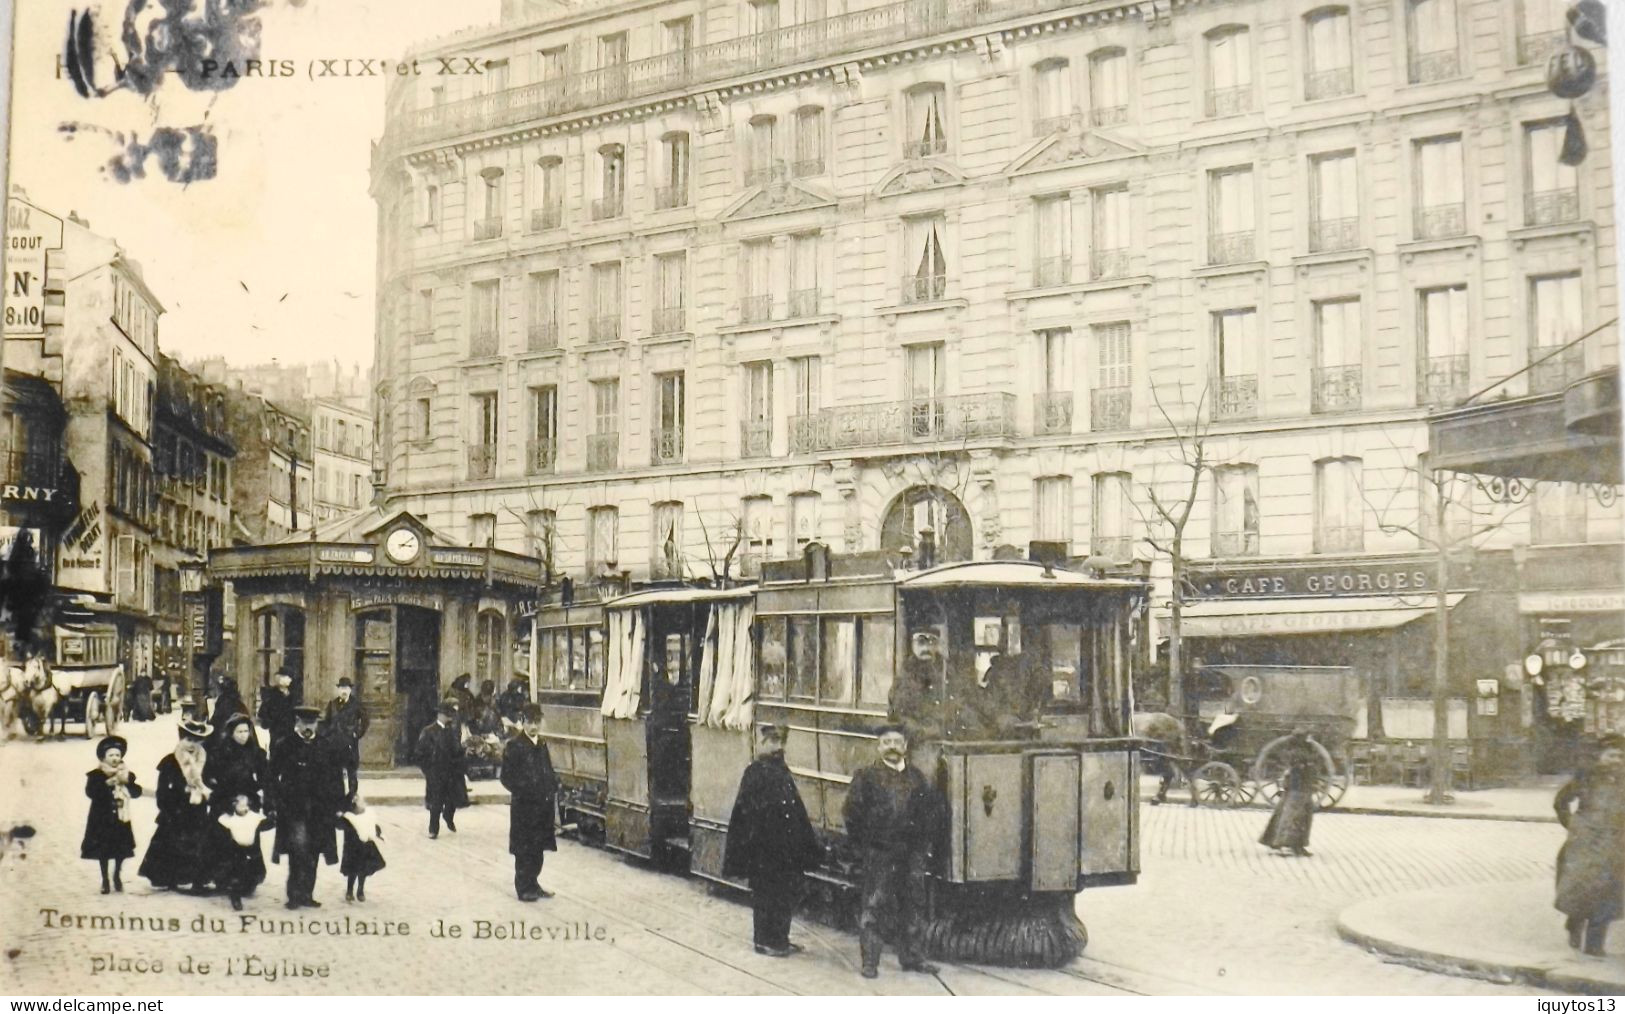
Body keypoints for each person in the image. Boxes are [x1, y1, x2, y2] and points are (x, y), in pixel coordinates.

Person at [843, 724, 942, 979]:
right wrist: (865, 846)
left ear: (905, 747)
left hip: (911, 854)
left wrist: (921, 847)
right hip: (880, 853)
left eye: (897, 742)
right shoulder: (866, 777)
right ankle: (870, 962)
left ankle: (913, 956)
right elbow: (852, 813)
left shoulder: (917, 778)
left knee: (913, 904)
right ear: (879, 747)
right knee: (875, 906)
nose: (892, 747)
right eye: (886, 742)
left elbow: (929, 816)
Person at [723, 721, 824, 957]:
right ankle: (764, 941)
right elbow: (746, 813)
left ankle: (780, 939)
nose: (777, 747)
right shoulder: (756, 771)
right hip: (764, 848)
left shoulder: (779, 769)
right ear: (761, 743)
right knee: (766, 894)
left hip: (783, 848)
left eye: (781, 742)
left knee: (783, 894)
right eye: (772, 742)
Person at [1554, 734, 1625, 956]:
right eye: (1612, 755)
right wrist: (1573, 826)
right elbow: (1560, 802)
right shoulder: (1586, 777)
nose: (1617, 760)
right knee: (1582, 888)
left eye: (1621, 756)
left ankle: (1595, 945)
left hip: (1613, 842)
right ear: (1600, 756)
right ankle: (1574, 924)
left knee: (1607, 890)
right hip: (1585, 842)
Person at [269, 706, 345, 909]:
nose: (308, 728)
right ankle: (294, 894)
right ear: (297, 723)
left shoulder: (325, 745)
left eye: (312, 724)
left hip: (320, 809)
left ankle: (307, 894)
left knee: (313, 851)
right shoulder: (285, 744)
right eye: (304, 724)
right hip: (293, 807)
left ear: (317, 725)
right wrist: (276, 800)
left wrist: (338, 804)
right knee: (297, 849)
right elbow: (271, 775)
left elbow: (336, 777)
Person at [138, 718, 216, 893]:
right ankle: (169, 877)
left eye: (197, 741)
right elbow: (163, 788)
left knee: (197, 842)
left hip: (197, 809)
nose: (192, 745)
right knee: (171, 842)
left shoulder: (204, 759)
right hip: (175, 810)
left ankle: (192, 878)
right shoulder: (170, 761)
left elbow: (210, 780)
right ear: (181, 739)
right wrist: (168, 804)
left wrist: (208, 788)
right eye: (189, 740)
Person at [500, 703, 559, 901]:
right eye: (530, 722)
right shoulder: (514, 745)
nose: (534, 727)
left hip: (542, 806)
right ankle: (523, 887)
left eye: (537, 722)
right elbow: (506, 777)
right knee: (524, 849)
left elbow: (548, 770)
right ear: (523, 722)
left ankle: (534, 884)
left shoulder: (541, 744)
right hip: (524, 807)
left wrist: (552, 786)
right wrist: (523, 790)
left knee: (538, 847)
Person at [82, 735, 142, 895]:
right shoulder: (96, 775)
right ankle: (105, 880)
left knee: (120, 848)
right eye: (111, 755)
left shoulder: (126, 774)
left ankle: (116, 875)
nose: (115, 758)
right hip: (101, 817)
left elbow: (136, 791)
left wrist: (129, 786)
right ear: (104, 757)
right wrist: (106, 785)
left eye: (117, 755)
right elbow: (90, 792)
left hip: (120, 817)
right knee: (103, 850)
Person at [1259, 728, 1319, 857]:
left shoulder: (1301, 751)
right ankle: (1283, 843)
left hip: (1302, 786)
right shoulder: (1297, 753)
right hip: (1297, 786)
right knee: (1292, 815)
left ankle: (1297, 844)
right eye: (1306, 738)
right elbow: (1306, 763)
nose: (1309, 740)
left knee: (1302, 815)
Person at [415, 701, 468, 838]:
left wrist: (465, 751)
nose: (449, 718)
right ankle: (433, 829)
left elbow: (456, 750)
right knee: (436, 802)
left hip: (451, 771)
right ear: (440, 715)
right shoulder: (428, 731)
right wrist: (428, 771)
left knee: (453, 799)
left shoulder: (452, 731)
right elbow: (420, 754)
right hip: (436, 772)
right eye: (447, 715)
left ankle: (448, 816)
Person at [214, 794, 271, 911]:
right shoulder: (228, 819)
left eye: (246, 806)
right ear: (234, 806)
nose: (244, 809)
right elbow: (221, 828)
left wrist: (271, 814)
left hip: (251, 848)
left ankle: (247, 888)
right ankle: (235, 898)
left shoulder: (254, 817)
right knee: (236, 874)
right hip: (236, 849)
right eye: (241, 806)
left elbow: (267, 824)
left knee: (253, 871)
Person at [207, 714, 269, 815]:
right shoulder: (220, 753)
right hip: (225, 802)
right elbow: (214, 779)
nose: (244, 735)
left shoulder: (256, 753)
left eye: (246, 731)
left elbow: (265, 777)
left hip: (250, 802)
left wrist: (260, 793)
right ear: (231, 733)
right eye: (239, 732)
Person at [322, 677, 369, 798]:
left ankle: (352, 796)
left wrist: (357, 733)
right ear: (338, 690)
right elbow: (326, 722)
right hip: (334, 743)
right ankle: (336, 796)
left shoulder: (356, 704)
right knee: (335, 771)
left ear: (350, 690)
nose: (344, 691)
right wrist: (327, 736)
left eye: (346, 688)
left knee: (351, 771)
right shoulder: (332, 704)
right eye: (342, 688)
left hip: (349, 743)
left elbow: (365, 721)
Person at [340, 795, 387, 903]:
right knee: (353, 869)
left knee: (363, 869)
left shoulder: (367, 815)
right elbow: (341, 825)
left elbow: (373, 826)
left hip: (366, 845)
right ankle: (349, 890)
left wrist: (378, 833)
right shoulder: (348, 818)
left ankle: (360, 890)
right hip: (352, 846)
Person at [258, 669, 297, 759]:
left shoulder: (292, 695)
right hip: (277, 730)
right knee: (277, 753)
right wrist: (270, 720)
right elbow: (263, 713)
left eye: (290, 678)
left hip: (290, 729)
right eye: (288, 677)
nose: (290, 680)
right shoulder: (271, 695)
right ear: (280, 678)